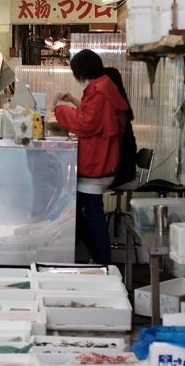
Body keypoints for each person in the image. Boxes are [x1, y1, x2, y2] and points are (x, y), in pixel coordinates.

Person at [54, 49, 129, 265]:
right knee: (81, 212)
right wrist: (75, 102)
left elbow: (87, 124)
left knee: (88, 214)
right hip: (102, 159)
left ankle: (102, 262)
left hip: (97, 163)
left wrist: (61, 111)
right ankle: (96, 260)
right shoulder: (103, 85)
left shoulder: (100, 90)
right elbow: (96, 115)